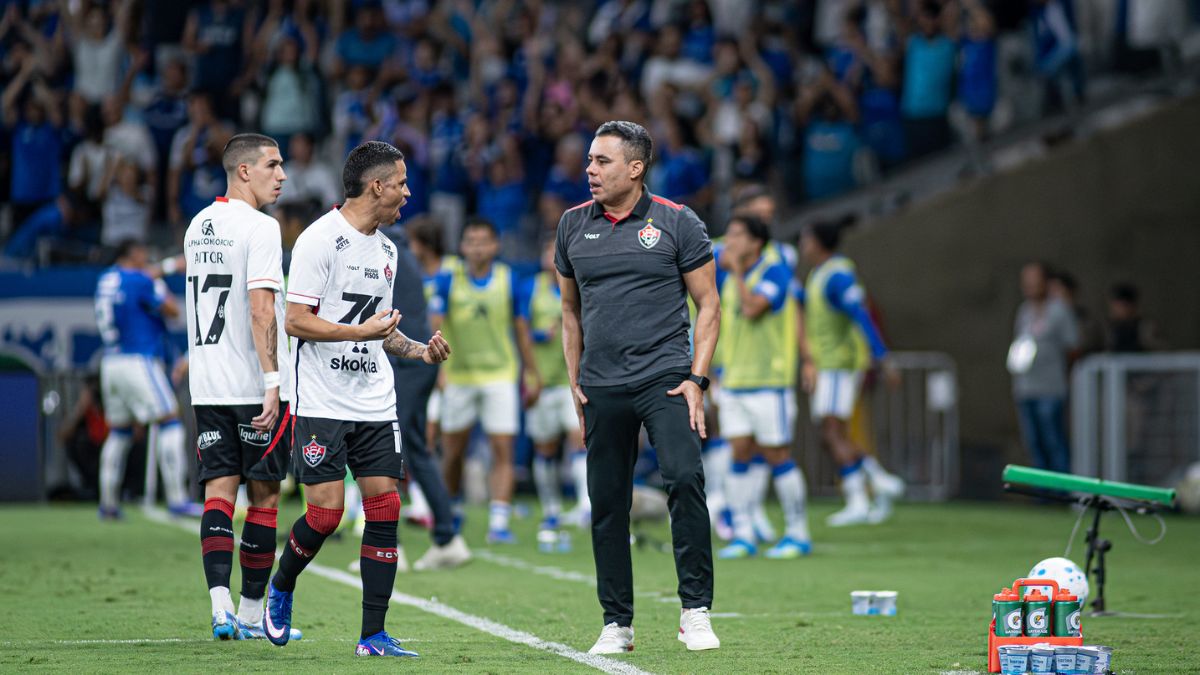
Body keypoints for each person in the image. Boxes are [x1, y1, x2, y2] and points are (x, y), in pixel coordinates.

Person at [266, 141, 450, 657]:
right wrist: (358, 331)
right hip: (322, 399)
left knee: (384, 507)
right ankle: (281, 588)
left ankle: (372, 636)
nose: (408, 193)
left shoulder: (389, 251)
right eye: (402, 182)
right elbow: (296, 320)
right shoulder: (318, 240)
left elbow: (382, 333)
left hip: (373, 397)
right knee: (325, 515)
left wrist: (417, 350)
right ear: (377, 186)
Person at [556, 120, 721, 654]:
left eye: (602, 161)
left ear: (635, 167)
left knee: (684, 478)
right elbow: (569, 311)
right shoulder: (572, 225)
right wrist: (573, 382)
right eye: (589, 161)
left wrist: (697, 378)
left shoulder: (679, 222)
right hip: (601, 385)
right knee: (606, 503)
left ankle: (695, 612)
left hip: (666, 380)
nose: (590, 170)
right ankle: (617, 624)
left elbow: (710, 306)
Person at [184, 133, 298, 641]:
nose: (283, 175)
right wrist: (273, 383)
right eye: (273, 165)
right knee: (266, 498)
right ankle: (252, 616)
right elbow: (259, 310)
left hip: (208, 385)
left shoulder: (197, 225)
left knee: (218, 493)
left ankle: (219, 605)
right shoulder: (261, 228)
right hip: (254, 385)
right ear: (244, 171)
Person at [430, 217, 539, 544]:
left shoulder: (509, 280)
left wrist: (530, 371)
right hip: (459, 376)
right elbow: (434, 327)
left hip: (499, 375)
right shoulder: (449, 279)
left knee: (502, 448)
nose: (477, 247)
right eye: (471, 241)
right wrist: (439, 370)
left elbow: (521, 330)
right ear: (462, 246)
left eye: (483, 241)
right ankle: (451, 510)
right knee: (453, 453)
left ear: (495, 245)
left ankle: (499, 522)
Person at [714, 214, 811, 560]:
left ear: (756, 242)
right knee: (738, 452)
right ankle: (743, 534)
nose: (730, 241)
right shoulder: (727, 280)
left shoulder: (775, 271)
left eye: (738, 234)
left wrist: (737, 270)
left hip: (770, 382)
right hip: (736, 381)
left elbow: (753, 308)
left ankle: (798, 533)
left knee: (776, 455)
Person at [799, 220, 905, 527]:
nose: (803, 245)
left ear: (819, 242)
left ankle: (863, 495)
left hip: (839, 365)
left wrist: (883, 358)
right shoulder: (819, 274)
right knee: (832, 433)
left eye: (806, 238)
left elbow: (861, 315)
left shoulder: (838, 276)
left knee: (832, 431)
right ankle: (878, 484)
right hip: (827, 364)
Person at [384, 221, 471, 572]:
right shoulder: (401, 250)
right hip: (417, 360)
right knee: (415, 447)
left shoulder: (383, 249)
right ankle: (447, 538)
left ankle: (389, 547)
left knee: (387, 447)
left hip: (407, 359)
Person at [94, 240, 197, 520]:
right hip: (138, 360)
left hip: (111, 362)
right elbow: (172, 310)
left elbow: (141, 279)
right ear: (133, 254)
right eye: (142, 253)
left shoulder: (106, 279)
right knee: (170, 420)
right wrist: (162, 281)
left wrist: (163, 269)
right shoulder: (140, 280)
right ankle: (177, 499)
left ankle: (108, 503)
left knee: (120, 431)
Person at [525, 236, 590, 543]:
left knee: (579, 440)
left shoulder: (579, 286)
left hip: (570, 380)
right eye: (548, 253)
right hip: (541, 381)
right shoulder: (531, 289)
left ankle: (585, 505)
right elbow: (519, 332)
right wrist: (539, 338)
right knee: (545, 448)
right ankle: (551, 507)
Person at [1008, 262, 1078, 475]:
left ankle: (1062, 493)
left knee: (1054, 441)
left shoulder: (1059, 311)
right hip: (1025, 387)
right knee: (1034, 443)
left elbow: (1072, 348)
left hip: (1051, 388)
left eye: (1034, 280)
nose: (1029, 286)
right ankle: (1042, 497)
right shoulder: (1024, 311)